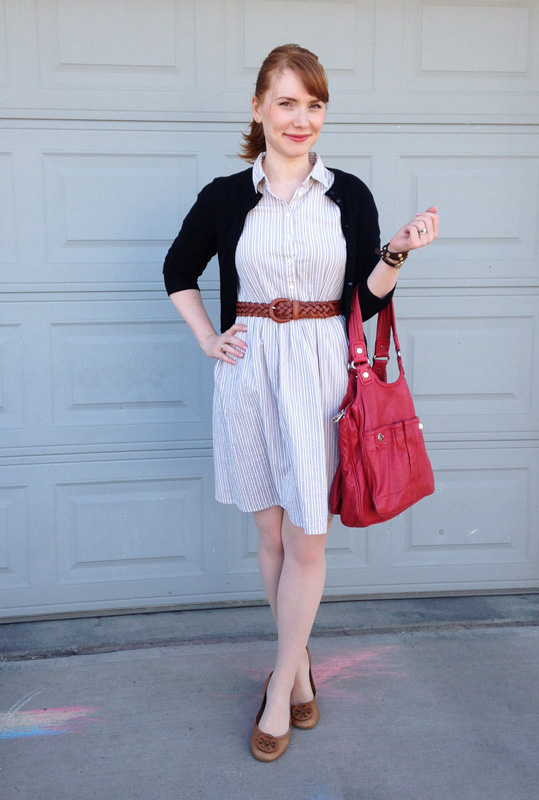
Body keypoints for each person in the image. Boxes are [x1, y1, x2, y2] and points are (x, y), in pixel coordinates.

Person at [163, 43, 439, 761]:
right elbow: (177, 270)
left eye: (313, 104)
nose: (301, 118)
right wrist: (207, 339)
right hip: (250, 372)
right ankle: (300, 664)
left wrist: (397, 252)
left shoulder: (346, 193)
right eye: (286, 102)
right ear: (257, 109)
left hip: (321, 370)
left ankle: (283, 683)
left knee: (308, 536)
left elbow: (365, 304)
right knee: (271, 536)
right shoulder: (226, 196)